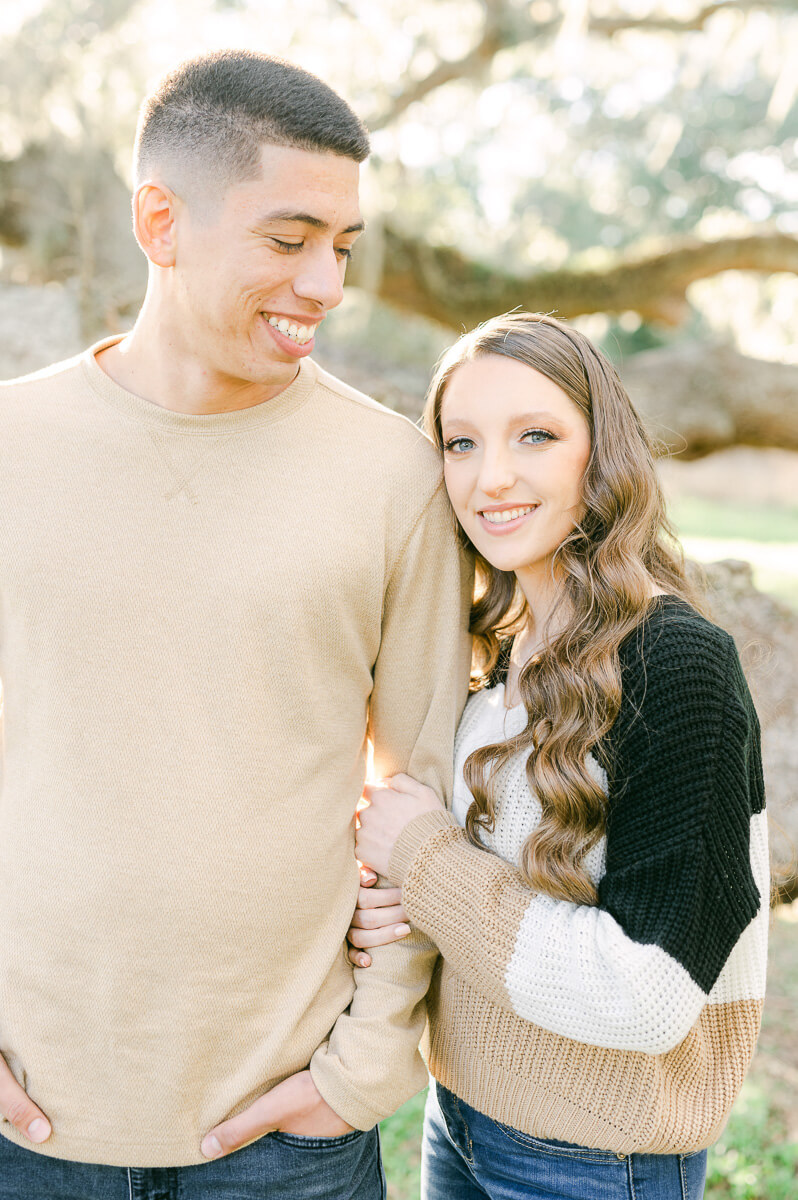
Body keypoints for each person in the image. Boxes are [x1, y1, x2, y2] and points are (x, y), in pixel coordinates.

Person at [0, 50, 472, 1198]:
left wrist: (360, 1074)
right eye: (287, 238)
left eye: (344, 247)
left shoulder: (395, 478)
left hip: (286, 1140)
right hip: (27, 1125)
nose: (325, 283)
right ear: (161, 221)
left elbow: (426, 791)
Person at [350, 312, 768, 1200]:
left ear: (600, 451)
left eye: (535, 435)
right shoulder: (494, 651)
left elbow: (648, 992)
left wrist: (425, 862)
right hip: (459, 1119)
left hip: (592, 1158)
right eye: (460, 443)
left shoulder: (674, 665)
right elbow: (478, 896)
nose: (490, 476)